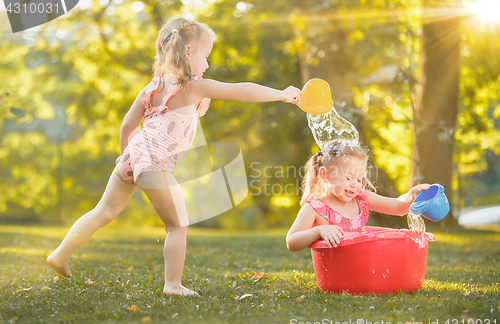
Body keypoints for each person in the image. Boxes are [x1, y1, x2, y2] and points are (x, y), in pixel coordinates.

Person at [47, 16, 301, 297]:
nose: (207, 65)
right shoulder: (194, 88)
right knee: (178, 225)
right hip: (153, 164)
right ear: (189, 51)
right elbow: (242, 90)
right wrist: (281, 94)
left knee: (103, 211)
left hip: (133, 157)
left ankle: (60, 254)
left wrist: (127, 159)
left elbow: (127, 126)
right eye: (205, 57)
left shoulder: (152, 87)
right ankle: (173, 285)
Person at [286, 140, 429, 252]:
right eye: (348, 178)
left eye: (360, 179)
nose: (355, 184)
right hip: (334, 274)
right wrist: (319, 231)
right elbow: (292, 242)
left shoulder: (361, 199)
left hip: (362, 268)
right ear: (325, 174)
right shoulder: (314, 208)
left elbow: (397, 207)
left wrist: (411, 196)